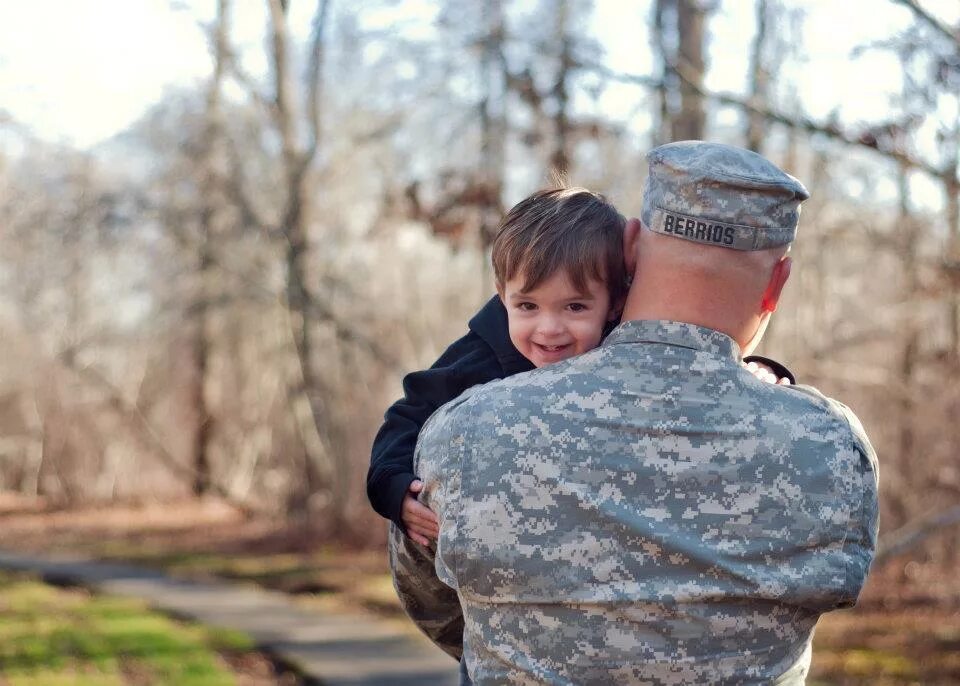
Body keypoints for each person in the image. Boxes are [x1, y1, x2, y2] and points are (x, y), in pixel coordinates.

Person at [389, 141, 879, 685]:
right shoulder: (829, 445)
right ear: (777, 284)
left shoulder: (468, 429)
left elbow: (435, 601)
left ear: (629, 249)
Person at [367, 189, 794, 548]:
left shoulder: (624, 344)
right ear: (503, 295)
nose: (549, 329)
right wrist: (394, 489)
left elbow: (687, 367)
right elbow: (407, 415)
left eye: (575, 306)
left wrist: (754, 370)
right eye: (528, 306)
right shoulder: (482, 353)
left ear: (613, 301)